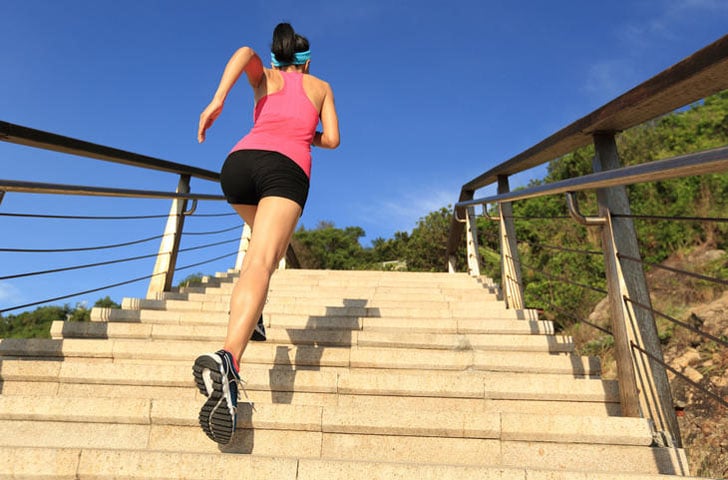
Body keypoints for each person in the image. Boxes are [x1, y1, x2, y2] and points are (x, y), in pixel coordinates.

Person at [192, 22, 340, 445]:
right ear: (306, 61)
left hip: (238, 164)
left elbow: (242, 51)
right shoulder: (321, 86)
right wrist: (303, 133)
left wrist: (217, 102)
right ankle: (228, 360)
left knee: (264, 253)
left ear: (276, 59)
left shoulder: (265, 79)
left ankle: (252, 318)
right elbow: (332, 139)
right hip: (286, 167)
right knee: (262, 261)